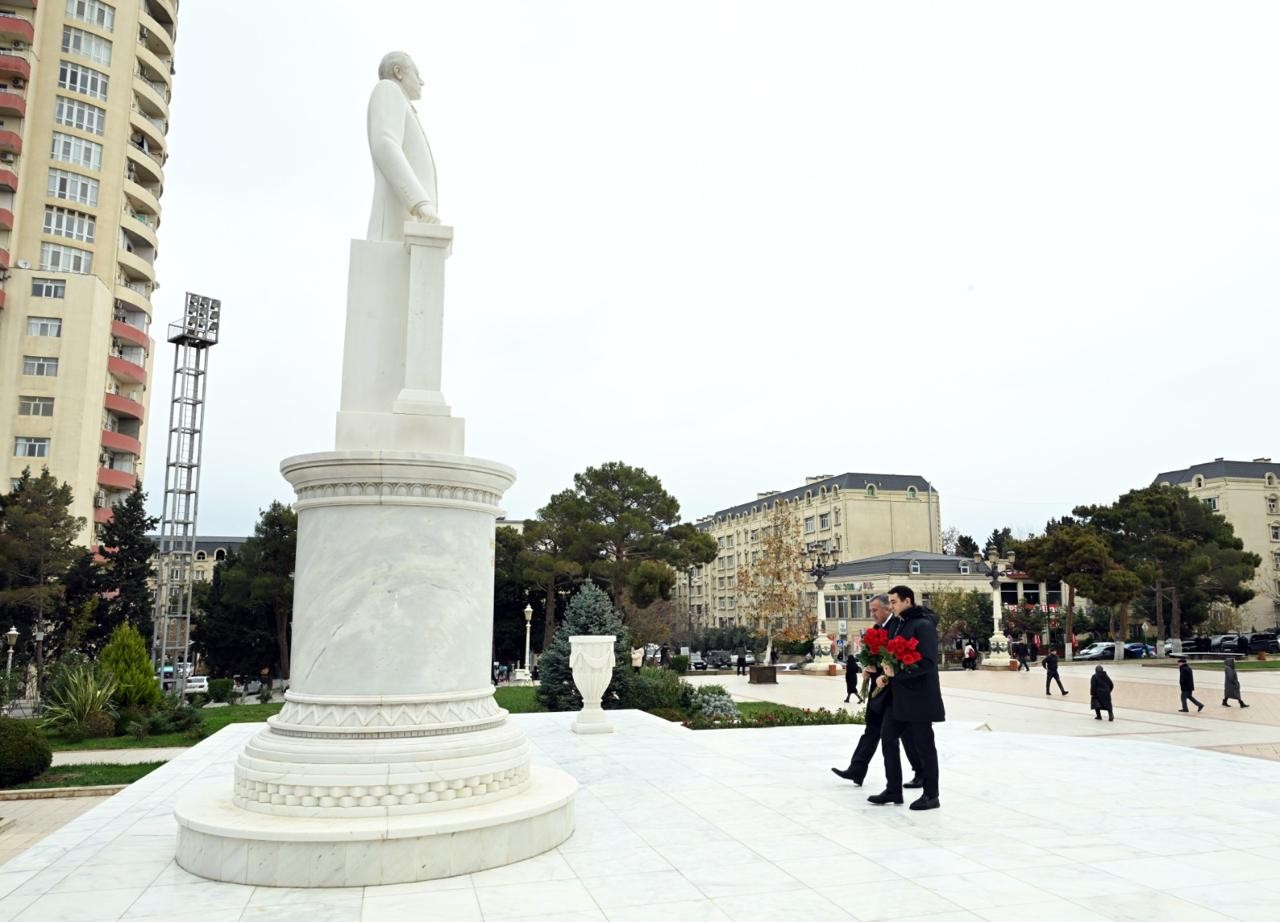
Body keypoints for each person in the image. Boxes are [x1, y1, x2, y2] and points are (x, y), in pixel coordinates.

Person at [831, 595, 922, 787]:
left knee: (904, 733)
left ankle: (920, 772)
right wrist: (868, 668)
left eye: (874, 610)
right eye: (870, 610)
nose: (872, 614)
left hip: (893, 690)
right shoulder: (876, 630)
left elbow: (897, 657)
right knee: (872, 729)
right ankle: (857, 769)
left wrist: (881, 671)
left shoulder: (897, 627)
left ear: (886, 609)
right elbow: (876, 657)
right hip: (878, 688)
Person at [867, 585, 944, 811]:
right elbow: (892, 658)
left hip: (919, 697)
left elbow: (929, 662)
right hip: (899, 696)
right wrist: (883, 673)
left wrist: (897, 673)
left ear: (907, 601)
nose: (891, 606)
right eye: (889, 602)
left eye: (894, 602)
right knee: (887, 737)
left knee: (924, 746)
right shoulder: (899, 624)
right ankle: (893, 789)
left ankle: (932, 795)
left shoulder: (923, 625)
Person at [367, 51, 440, 241]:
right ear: (398, 72)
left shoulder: (405, 106)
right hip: (395, 231)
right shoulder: (388, 89)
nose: (421, 82)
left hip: (415, 231)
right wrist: (420, 202)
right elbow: (385, 143)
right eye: (417, 74)